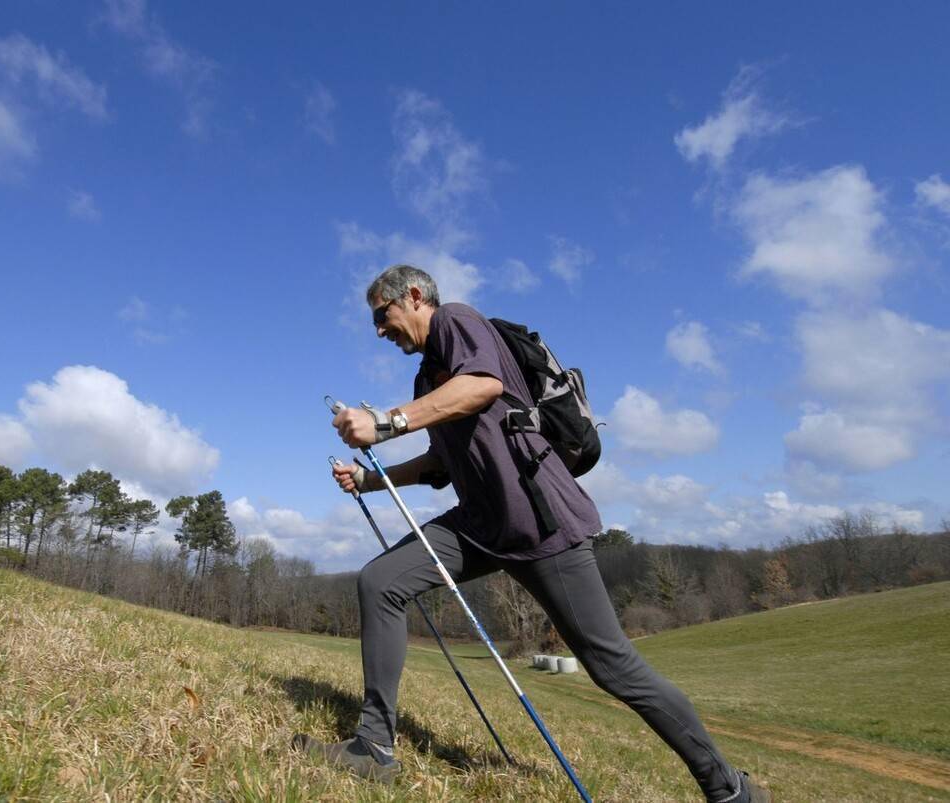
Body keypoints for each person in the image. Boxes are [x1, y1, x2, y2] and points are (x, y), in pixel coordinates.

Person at [292, 264, 770, 802]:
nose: (380, 330)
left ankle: (730, 789)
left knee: (613, 667)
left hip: (540, 522)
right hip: (480, 524)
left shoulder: (456, 321)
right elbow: (438, 464)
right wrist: (370, 479)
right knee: (382, 582)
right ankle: (372, 748)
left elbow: (482, 386)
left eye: (383, 316)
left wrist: (386, 421)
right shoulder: (428, 378)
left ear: (415, 295)